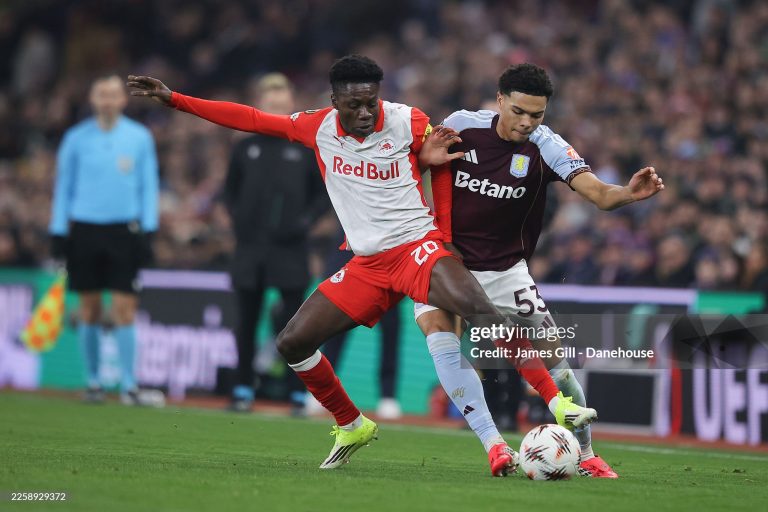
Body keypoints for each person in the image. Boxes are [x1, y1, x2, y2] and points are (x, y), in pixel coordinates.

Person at [127, 55, 597, 473]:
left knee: (481, 313)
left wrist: (445, 239)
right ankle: (350, 423)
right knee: (292, 341)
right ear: (334, 101)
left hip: (417, 248)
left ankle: (556, 403)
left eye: (371, 100)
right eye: (354, 104)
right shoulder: (316, 127)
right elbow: (249, 119)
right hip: (368, 264)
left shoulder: (409, 120)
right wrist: (175, 100)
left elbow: (447, 170)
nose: (366, 111)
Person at [417, 63, 665, 478]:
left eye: (537, 114)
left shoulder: (546, 146)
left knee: (554, 364)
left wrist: (626, 194)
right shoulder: (462, 126)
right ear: (499, 101)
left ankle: (586, 454)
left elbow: (599, 194)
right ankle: (494, 445)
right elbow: (419, 164)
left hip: (506, 273)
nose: (527, 122)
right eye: (519, 112)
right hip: (446, 262)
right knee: (441, 336)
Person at [49, 74, 160, 406]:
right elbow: (63, 188)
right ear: (93, 99)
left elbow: (148, 184)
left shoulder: (139, 137)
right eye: (102, 95)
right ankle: (94, 381)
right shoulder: (75, 139)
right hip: (84, 229)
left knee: (125, 308)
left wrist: (149, 228)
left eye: (113, 95)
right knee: (89, 309)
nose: (108, 100)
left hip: (123, 231)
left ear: (123, 100)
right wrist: (58, 230)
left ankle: (128, 384)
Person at [223, 73, 330, 412]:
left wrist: (305, 223)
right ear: (261, 103)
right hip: (250, 249)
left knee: (296, 325)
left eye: (281, 98)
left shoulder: (304, 146)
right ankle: (242, 388)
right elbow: (229, 192)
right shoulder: (245, 147)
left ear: (290, 102)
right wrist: (239, 220)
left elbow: (323, 194)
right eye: (270, 99)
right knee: (246, 321)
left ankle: (297, 392)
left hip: (290, 249)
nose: (276, 104)